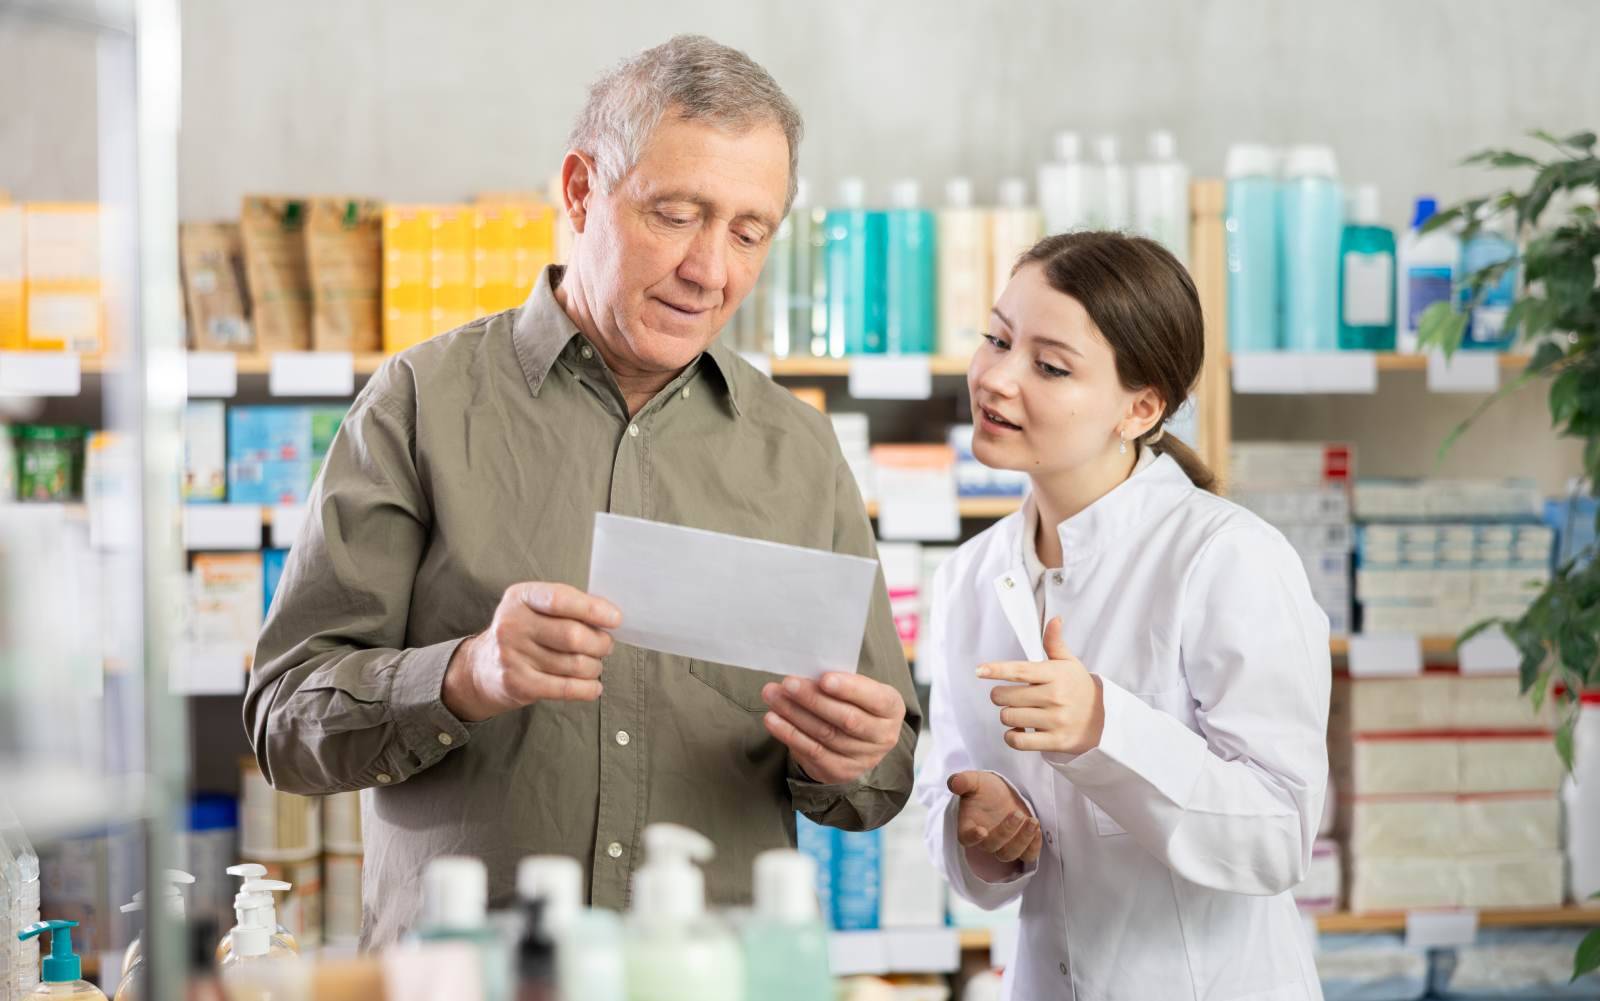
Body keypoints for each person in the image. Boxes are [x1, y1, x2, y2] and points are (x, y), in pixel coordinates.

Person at [244, 35, 919, 948]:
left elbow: (877, 777)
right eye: (676, 215)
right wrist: (463, 674)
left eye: (749, 232)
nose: (712, 270)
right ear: (579, 191)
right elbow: (282, 717)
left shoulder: (797, 448)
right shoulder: (421, 404)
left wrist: (855, 753)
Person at [914, 231, 1330, 1000]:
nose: (998, 379)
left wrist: (1106, 727)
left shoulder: (1227, 556)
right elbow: (955, 814)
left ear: (1139, 407)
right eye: (997, 339)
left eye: (1050, 365)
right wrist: (981, 833)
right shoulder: (968, 578)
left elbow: (1279, 836)